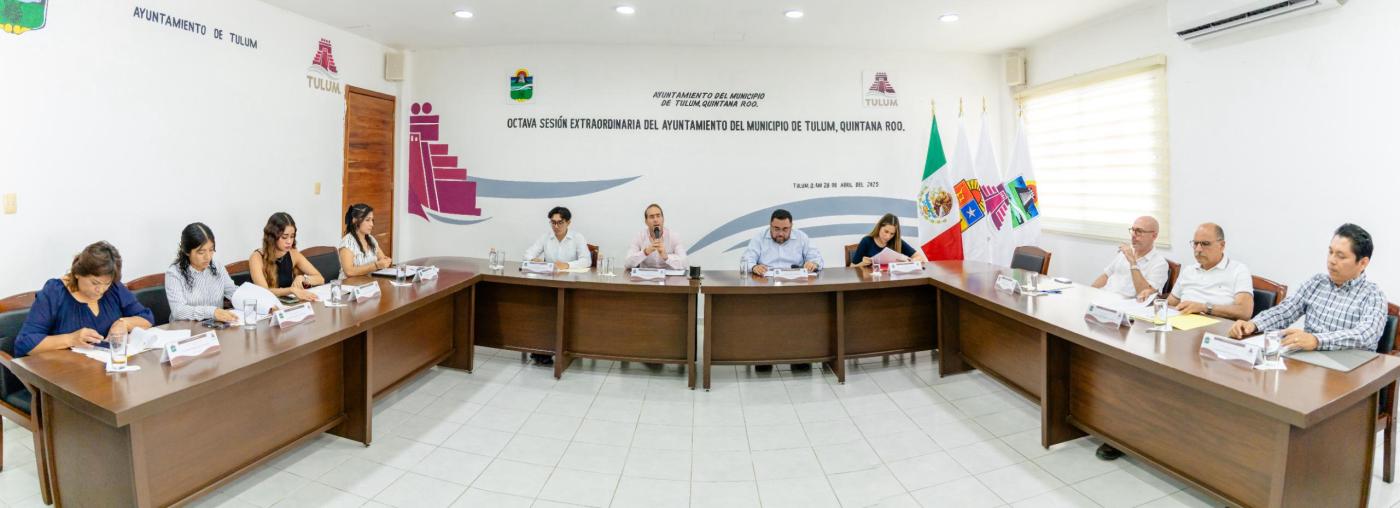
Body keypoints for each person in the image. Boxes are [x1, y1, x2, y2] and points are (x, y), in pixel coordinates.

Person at [1230, 223, 1386, 352]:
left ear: (1363, 263)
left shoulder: (1373, 295)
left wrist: (1317, 340)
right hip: (1310, 362)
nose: (1331, 260)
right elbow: (1285, 311)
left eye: (1340, 256)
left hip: (1349, 370)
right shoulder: (1317, 283)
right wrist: (1253, 324)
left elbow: (1366, 335)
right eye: (1330, 252)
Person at [15, 241, 155, 357]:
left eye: (106, 284)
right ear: (77, 273)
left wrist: (124, 323)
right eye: (95, 283)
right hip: (65, 374)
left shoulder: (114, 288)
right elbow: (24, 344)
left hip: (106, 370)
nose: (101, 290)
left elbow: (147, 318)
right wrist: (70, 339)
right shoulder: (55, 292)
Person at [741, 209, 824, 372]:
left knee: (802, 315)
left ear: (791, 226)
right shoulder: (759, 238)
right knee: (764, 318)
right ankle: (764, 357)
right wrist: (754, 266)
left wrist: (813, 263)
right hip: (767, 288)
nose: (780, 233)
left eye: (785, 229)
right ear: (770, 226)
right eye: (776, 229)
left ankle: (800, 357)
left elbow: (817, 259)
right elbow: (746, 259)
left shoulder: (801, 237)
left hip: (795, 288)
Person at [523, 206, 590, 365]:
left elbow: (586, 260)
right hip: (550, 285)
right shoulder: (546, 237)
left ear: (568, 223)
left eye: (560, 222)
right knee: (542, 311)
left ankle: (564, 349)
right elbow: (528, 254)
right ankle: (542, 349)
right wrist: (533, 260)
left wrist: (567, 265)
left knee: (561, 312)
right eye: (553, 222)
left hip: (571, 287)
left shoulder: (577, 238)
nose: (556, 226)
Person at [1165, 223, 1254, 320]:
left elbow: (1244, 311)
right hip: (1181, 324)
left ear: (1222, 245)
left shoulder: (1238, 270)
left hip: (1217, 327)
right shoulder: (1188, 271)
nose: (1198, 249)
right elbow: (1170, 304)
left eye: (1205, 244)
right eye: (1195, 243)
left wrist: (1205, 308)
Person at [165, 223, 239, 323]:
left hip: (215, 326)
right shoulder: (174, 273)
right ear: (187, 251)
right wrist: (212, 312)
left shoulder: (217, 267)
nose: (208, 257)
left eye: (211, 250)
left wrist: (254, 301)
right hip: (186, 329)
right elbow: (178, 311)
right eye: (201, 252)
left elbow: (233, 292)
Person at [248, 212, 324, 301]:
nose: (289, 241)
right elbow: (264, 292)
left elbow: (320, 279)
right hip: (268, 305)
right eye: (284, 237)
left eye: (292, 236)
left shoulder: (293, 253)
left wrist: (303, 278)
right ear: (272, 237)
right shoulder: (256, 257)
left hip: (288, 304)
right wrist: (291, 290)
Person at [1091, 216, 1169, 301]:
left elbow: (1144, 295)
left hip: (1125, 305)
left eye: (1139, 231)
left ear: (1154, 236)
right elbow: (1106, 275)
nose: (1133, 235)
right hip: (1104, 297)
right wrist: (1090, 292)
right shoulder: (1127, 251)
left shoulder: (1160, 264)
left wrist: (1133, 262)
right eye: (1133, 230)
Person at [850, 213, 928, 266]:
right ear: (879, 227)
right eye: (886, 231)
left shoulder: (896, 241)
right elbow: (851, 267)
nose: (888, 237)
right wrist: (863, 263)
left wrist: (910, 261)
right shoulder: (866, 241)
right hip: (871, 282)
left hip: (892, 281)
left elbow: (920, 257)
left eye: (892, 234)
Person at [624, 203, 687, 270]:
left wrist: (666, 257)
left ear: (663, 219)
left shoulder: (674, 237)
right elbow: (627, 263)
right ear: (646, 221)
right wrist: (645, 252)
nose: (655, 220)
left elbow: (685, 264)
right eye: (651, 217)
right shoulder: (639, 237)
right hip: (646, 276)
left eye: (658, 216)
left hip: (668, 276)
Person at [338, 203, 393, 279]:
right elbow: (349, 272)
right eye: (367, 220)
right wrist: (376, 266)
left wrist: (385, 262)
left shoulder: (371, 239)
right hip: (349, 284)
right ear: (355, 221)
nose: (372, 224)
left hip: (368, 282)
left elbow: (382, 258)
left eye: (372, 220)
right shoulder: (347, 242)